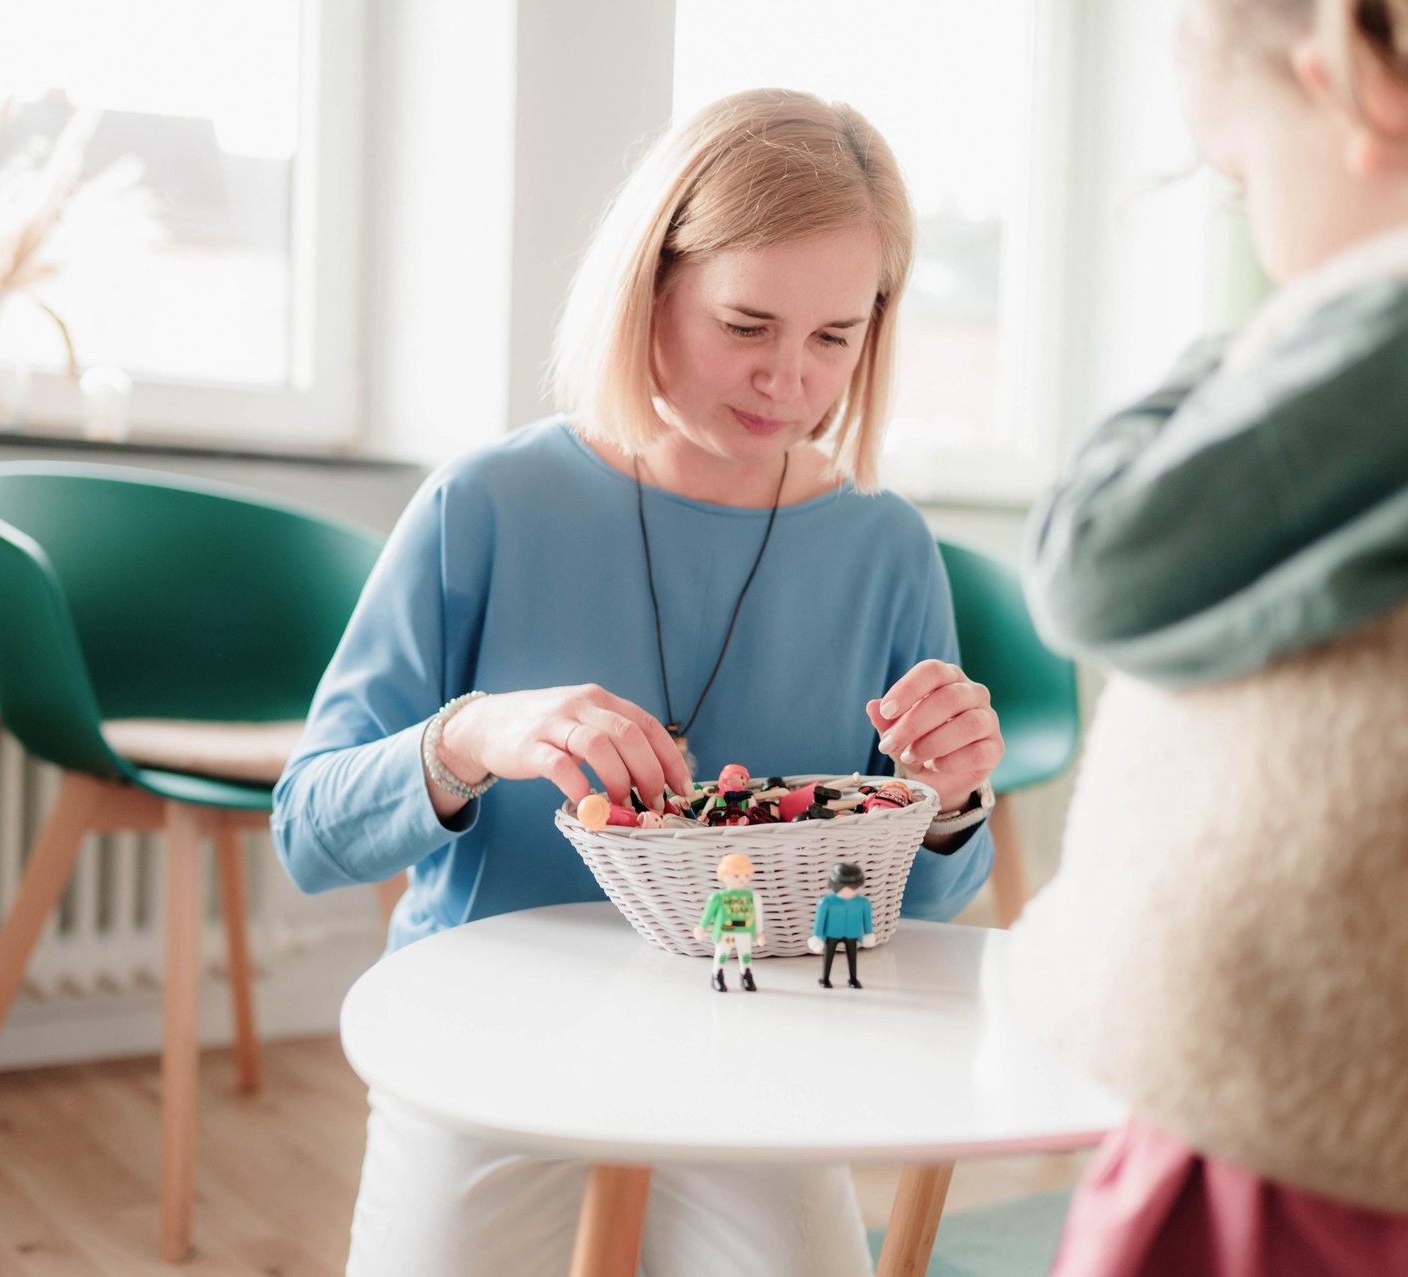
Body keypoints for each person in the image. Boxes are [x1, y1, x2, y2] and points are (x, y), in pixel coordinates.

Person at [273, 88, 1004, 1277]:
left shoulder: (883, 544)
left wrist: (952, 799)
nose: (790, 382)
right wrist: (470, 734)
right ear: (650, 289)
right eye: (747, 323)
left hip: (761, 1038)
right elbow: (308, 831)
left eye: (835, 337)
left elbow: (917, 906)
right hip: (487, 1031)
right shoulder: (487, 503)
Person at [1006, 2, 1408, 1272]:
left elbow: (1095, 562)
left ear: (1358, 90)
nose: (1266, 239)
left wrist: (1244, 347)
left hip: (1300, 1141)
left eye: (1241, 178)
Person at [693, 852, 763, 992]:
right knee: (722, 954)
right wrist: (701, 928)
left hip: (745, 931)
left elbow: (757, 914)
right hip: (726, 931)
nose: (742, 879)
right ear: (723, 874)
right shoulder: (718, 897)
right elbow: (708, 914)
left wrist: (759, 933)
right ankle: (717, 976)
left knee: (746, 955)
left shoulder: (752, 897)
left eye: (746, 875)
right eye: (737, 875)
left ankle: (746, 977)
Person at [809, 861, 876, 988]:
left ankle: (853, 978)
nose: (851, 891)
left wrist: (868, 933)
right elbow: (820, 920)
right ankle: (825, 978)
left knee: (853, 957)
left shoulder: (863, 903)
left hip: (852, 934)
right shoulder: (826, 902)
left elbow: (867, 920)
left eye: (855, 887)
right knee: (828, 957)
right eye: (847, 888)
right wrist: (817, 936)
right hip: (831, 934)